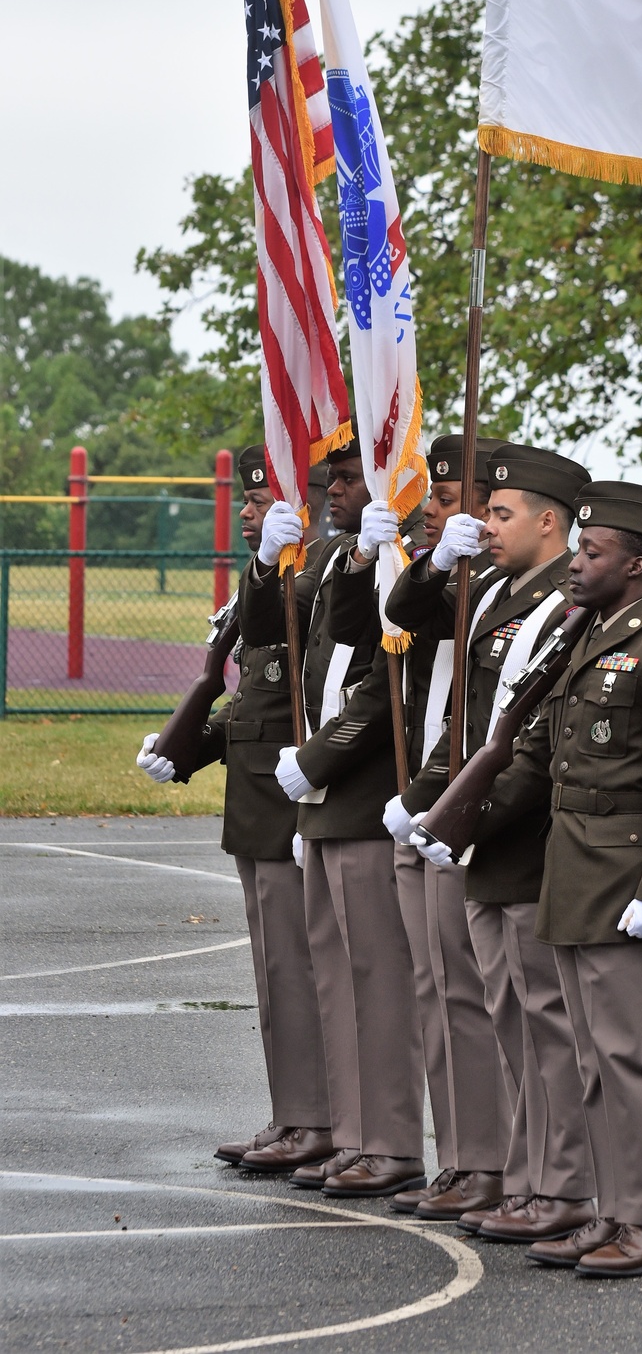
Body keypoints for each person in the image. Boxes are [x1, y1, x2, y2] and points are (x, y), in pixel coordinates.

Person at [432, 480, 642, 1276]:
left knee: (627, 1056)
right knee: (588, 1058)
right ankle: (610, 1209)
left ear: (636, 566)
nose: (579, 564)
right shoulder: (586, 635)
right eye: (580, 549)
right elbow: (538, 756)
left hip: (626, 879)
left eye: (593, 554)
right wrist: (457, 825)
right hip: (571, 869)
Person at [397, 443, 598, 1246]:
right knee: (512, 1018)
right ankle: (526, 1178)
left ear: (549, 522)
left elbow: (532, 742)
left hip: (523, 833)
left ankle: (564, 1185)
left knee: (546, 1024)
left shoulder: (561, 605)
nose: (485, 524)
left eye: (501, 513)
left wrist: (464, 817)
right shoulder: (495, 593)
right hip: (480, 827)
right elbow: (413, 634)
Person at [240, 426, 426, 1199]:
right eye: (333, 479)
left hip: (363, 791)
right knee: (337, 982)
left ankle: (386, 1139)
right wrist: (264, 563)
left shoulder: (408, 562)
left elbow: (388, 681)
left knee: (377, 983)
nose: (336, 490)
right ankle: (350, 1135)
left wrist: (318, 760)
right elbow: (263, 637)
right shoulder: (333, 557)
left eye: (351, 477)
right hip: (322, 800)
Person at [136, 445, 332, 1174]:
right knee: (276, 975)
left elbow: (312, 695)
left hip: (295, 803)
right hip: (255, 804)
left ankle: (319, 1119)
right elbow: (254, 698)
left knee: (301, 971)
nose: (248, 514)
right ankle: (293, 1114)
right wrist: (188, 747)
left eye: (260, 502)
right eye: (249, 504)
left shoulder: (313, 583)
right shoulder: (271, 580)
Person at [341, 435, 515, 1223]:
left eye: (453, 504)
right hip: (425, 796)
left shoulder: (511, 587)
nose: (436, 515)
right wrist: (437, 558)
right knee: (436, 988)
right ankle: (462, 1158)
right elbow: (395, 613)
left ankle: (490, 1159)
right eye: (436, 504)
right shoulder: (450, 574)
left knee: (471, 994)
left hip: (468, 801)